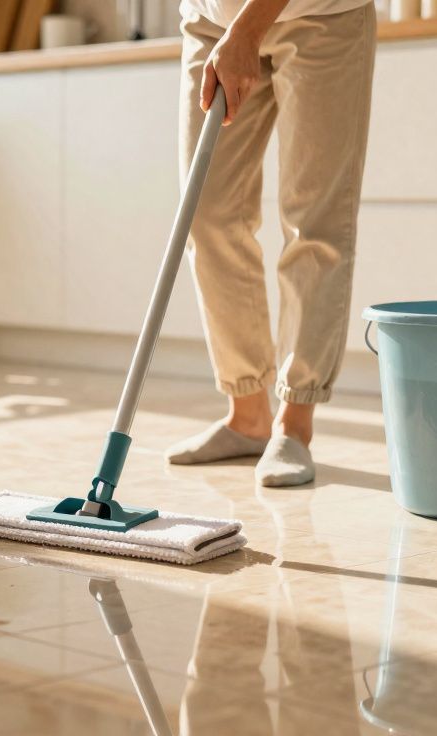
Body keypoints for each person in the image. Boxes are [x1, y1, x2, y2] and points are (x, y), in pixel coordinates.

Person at [165, 0, 377, 486]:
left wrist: (247, 31)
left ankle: (294, 424)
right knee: (208, 213)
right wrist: (230, 28)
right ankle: (248, 417)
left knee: (313, 221)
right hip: (211, 20)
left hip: (322, 15)